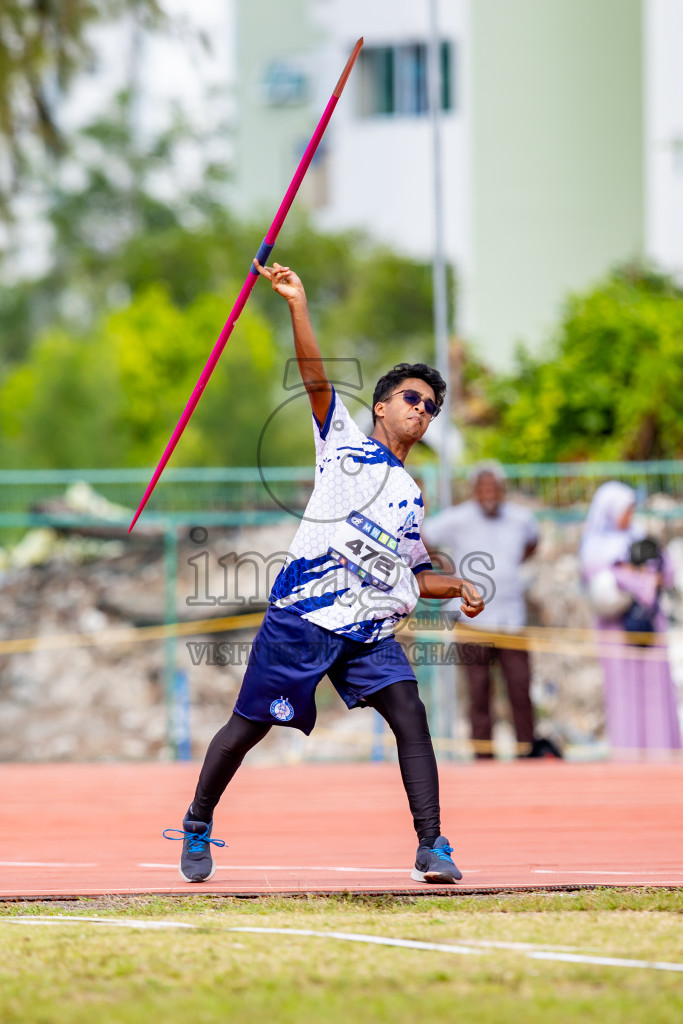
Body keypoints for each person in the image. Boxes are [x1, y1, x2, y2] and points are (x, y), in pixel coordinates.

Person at [163, 259, 484, 885]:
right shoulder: (341, 442)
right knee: (247, 729)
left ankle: (431, 845)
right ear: (383, 406)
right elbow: (314, 376)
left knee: (411, 716)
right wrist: (296, 304)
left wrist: (461, 586)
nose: (423, 410)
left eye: (432, 406)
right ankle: (199, 820)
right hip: (303, 618)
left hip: (367, 630)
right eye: (412, 399)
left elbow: (414, 576)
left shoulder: (412, 495)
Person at [423, 462, 559, 759]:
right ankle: (484, 757)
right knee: (478, 691)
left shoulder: (521, 518)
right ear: (474, 491)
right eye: (483, 488)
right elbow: (424, 536)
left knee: (520, 689)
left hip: (512, 619)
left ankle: (527, 752)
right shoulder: (458, 518)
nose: (488, 493)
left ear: (502, 490)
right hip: (472, 621)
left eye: (493, 487)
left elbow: (533, 542)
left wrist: (509, 569)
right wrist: (442, 575)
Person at [580, 481, 681, 759]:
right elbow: (599, 578)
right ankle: (628, 754)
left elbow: (664, 572)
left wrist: (648, 578)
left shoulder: (641, 537)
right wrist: (637, 581)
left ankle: (661, 751)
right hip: (615, 628)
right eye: (625, 509)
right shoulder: (595, 544)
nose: (629, 515)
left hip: (648, 624)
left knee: (655, 686)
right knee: (623, 689)